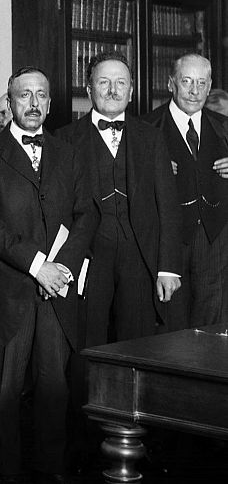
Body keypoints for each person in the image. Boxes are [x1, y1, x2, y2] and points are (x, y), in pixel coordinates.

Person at [0, 66, 98, 484]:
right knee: (5, 391)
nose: (34, 103)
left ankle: (51, 467)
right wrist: (38, 266)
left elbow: (86, 214)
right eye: (25, 95)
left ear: (50, 103)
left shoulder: (69, 152)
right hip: (12, 291)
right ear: (9, 102)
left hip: (58, 290)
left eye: (41, 95)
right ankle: (7, 472)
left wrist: (61, 270)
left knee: (54, 387)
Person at [57, 51, 181, 345]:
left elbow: (168, 206)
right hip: (88, 257)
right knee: (86, 342)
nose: (113, 91)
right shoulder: (64, 139)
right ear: (89, 90)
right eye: (104, 83)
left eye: (120, 83)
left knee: (139, 343)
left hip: (139, 256)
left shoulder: (151, 137)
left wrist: (168, 267)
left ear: (131, 90)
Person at [143, 53, 228, 327]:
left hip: (214, 243)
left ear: (210, 84)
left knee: (211, 329)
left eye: (201, 83)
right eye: (186, 81)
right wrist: (150, 171)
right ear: (171, 84)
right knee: (169, 327)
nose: (194, 91)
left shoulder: (224, 126)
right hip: (168, 242)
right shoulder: (146, 128)